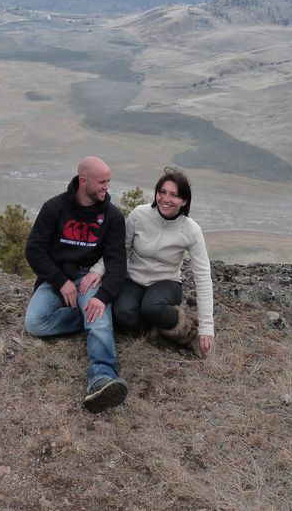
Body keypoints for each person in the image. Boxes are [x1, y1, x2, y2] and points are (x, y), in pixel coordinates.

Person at [23, 156, 128, 413]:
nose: (107, 187)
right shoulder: (55, 208)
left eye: (108, 181)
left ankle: (102, 377)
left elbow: (117, 264)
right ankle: (88, 322)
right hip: (58, 277)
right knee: (34, 322)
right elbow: (34, 251)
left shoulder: (112, 217)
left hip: (89, 278)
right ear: (84, 181)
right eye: (102, 182)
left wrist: (101, 298)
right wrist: (59, 281)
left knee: (97, 316)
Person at [87, 168, 214, 355]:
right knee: (122, 312)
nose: (165, 199)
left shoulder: (191, 230)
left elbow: (203, 276)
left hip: (166, 282)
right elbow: (120, 248)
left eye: (174, 195)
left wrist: (206, 326)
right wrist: (98, 269)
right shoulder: (140, 214)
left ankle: (184, 326)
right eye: (162, 192)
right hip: (133, 278)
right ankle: (155, 330)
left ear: (184, 200)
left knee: (152, 307)